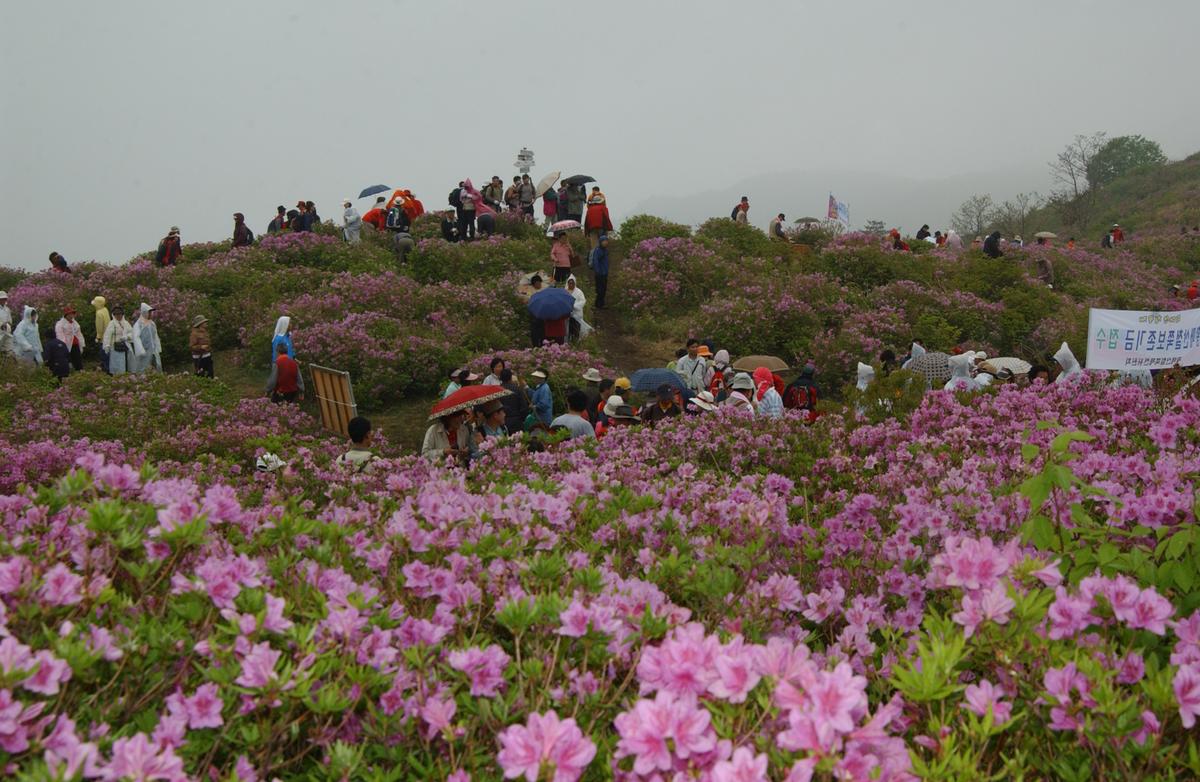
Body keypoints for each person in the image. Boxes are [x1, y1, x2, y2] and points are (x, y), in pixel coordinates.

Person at [102, 305, 135, 374]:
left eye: (120, 314)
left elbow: (132, 333)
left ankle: (127, 374)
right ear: (113, 315)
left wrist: (127, 337)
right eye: (116, 314)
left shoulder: (126, 323)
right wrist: (106, 345)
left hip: (126, 346)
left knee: (127, 362)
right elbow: (107, 335)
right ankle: (117, 375)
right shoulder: (112, 324)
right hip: (115, 347)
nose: (118, 316)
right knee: (117, 363)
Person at [131, 303, 162, 374]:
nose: (151, 314)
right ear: (145, 312)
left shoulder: (152, 324)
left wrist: (158, 347)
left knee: (157, 366)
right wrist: (140, 350)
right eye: (149, 312)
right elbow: (136, 337)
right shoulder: (138, 324)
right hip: (144, 351)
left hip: (153, 350)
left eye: (151, 312)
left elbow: (155, 336)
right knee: (143, 368)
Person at [499, 368, 530, 433]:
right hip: (517, 421)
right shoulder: (517, 389)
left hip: (502, 422)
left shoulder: (497, 390)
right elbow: (524, 407)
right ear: (511, 377)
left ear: (500, 378)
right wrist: (521, 418)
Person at [54, 307, 85, 372]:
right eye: (70, 314)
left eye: (73, 314)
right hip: (66, 344)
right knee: (67, 360)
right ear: (66, 315)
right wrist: (63, 344)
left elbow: (79, 333)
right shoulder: (60, 324)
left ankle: (80, 371)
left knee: (78, 359)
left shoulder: (75, 322)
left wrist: (82, 342)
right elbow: (60, 335)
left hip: (75, 343)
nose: (72, 316)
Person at [565, 275, 592, 341]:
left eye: (572, 283)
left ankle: (575, 341)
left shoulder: (579, 292)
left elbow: (583, 301)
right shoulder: (565, 291)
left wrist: (574, 306)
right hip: (567, 315)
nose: (571, 285)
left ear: (575, 283)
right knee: (568, 329)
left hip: (576, 314)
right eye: (569, 283)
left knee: (576, 329)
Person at [590, 232, 610, 308]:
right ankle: (598, 304)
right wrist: (597, 271)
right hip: (599, 273)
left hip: (604, 272)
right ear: (601, 242)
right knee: (599, 289)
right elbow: (595, 261)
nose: (605, 243)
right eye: (604, 241)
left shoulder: (605, 250)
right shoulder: (598, 250)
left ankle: (601, 303)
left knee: (603, 288)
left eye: (606, 241)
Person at [90, 295, 110, 371]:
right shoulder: (105, 309)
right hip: (108, 335)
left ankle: (106, 369)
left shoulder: (99, 313)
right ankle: (107, 368)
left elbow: (99, 327)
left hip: (103, 337)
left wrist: (98, 337)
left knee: (104, 354)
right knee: (107, 353)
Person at [0, 291, 11, 356]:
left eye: (5, 299)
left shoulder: (7, 309)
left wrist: (7, 324)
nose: (3, 300)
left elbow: (9, 320)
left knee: (7, 349)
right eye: (2, 299)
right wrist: (1, 324)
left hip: (6, 331)